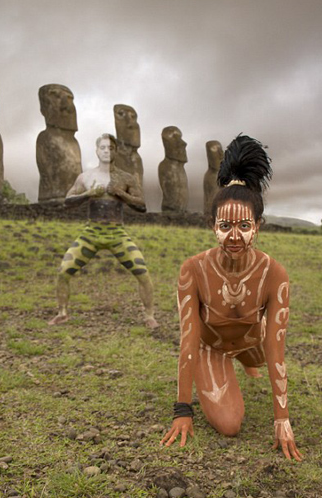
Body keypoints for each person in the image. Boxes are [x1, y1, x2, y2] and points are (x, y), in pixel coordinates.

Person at [160, 135, 303, 461]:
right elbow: (189, 339)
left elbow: (277, 348)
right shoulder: (193, 269)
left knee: (264, 355)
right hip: (212, 346)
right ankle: (228, 360)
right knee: (229, 425)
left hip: (253, 339)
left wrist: (282, 417)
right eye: (225, 226)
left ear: (258, 226)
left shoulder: (274, 274)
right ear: (212, 225)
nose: (235, 236)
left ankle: (247, 359)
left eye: (244, 225)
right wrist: (182, 409)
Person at [48, 133, 159, 329]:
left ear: (115, 151)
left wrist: (121, 193)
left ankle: (149, 316)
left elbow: (142, 205)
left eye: (110, 148)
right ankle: (62, 313)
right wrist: (88, 193)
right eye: (103, 148)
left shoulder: (125, 177)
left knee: (143, 273)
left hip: (117, 234)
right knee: (63, 271)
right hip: (91, 233)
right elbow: (67, 201)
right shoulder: (86, 176)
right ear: (97, 150)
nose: (107, 151)